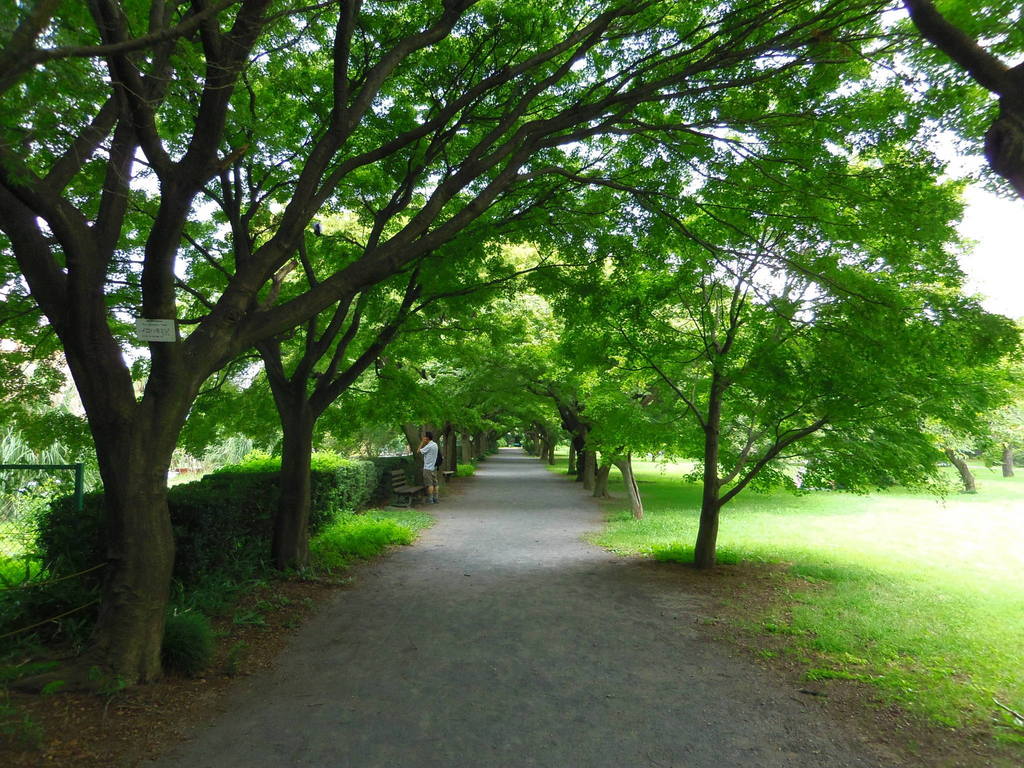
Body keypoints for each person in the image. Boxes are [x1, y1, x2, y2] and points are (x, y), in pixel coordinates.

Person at [419, 431, 440, 504]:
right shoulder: (435, 445)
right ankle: (436, 498)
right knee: (435, 483)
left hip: (427, 468)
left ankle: (430, 500)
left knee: (429, 484)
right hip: (434, 467)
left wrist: (422, 442)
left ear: (427, 438)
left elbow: (418, 451)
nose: (423, 438)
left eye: (424, 437)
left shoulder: (429, 446)